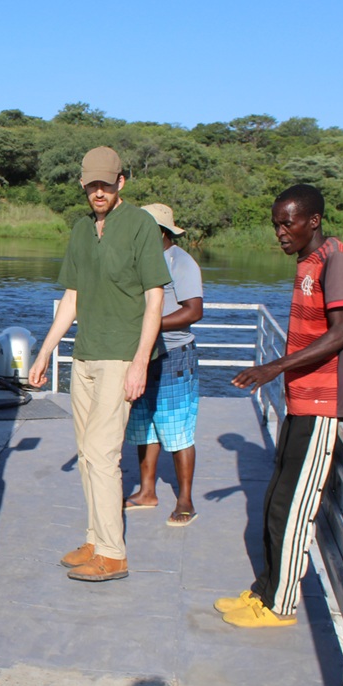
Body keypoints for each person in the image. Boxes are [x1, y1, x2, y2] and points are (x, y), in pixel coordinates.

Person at [220, 184, 343, 628]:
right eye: (276, 225)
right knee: (275, 500)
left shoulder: (335, 261)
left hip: (323, 403)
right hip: (302, 399)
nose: (281, 233)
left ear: (313, 221)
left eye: (288, 223)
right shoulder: (309, 259)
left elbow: (340, 332)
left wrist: (273, 367)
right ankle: (265, 590)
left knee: (293, 507)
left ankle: (280, 606)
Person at [27, 147, 170, 582]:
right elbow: (71, 298)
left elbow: (155, 298)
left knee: (102, 453)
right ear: (84, 186)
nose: (99, 192)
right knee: (88, 456)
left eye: (106, 184)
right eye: (92, 185)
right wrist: (46, 350)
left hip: (122, 354)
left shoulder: (140, 225)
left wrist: (140, 362)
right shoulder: (81, 230)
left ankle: (113, 553)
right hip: (85, 354)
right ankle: (95, 537)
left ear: (121, 182)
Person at [123, 203, 204, 526]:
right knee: (144, 424)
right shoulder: (141, 261)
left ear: (159, 232)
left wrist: (152, 325)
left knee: (177, 428)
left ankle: (185, 500)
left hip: (174, 355)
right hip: (143, 355)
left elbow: (193, 311)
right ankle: (147, 491)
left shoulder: (181, 263)